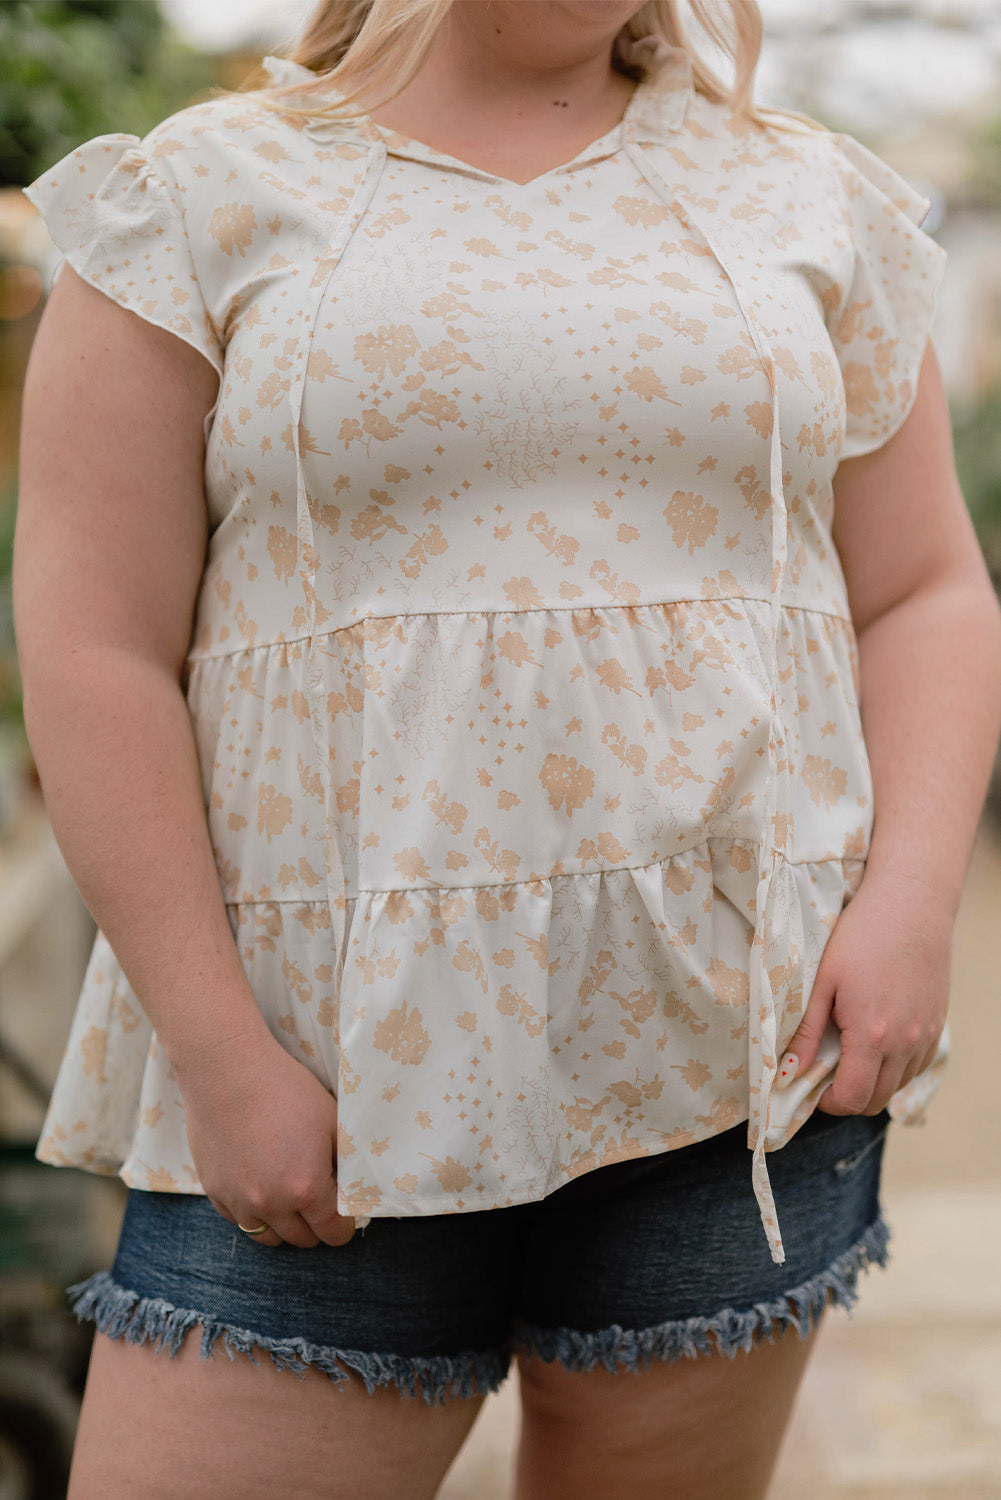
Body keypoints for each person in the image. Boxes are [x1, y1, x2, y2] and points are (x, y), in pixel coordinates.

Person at [14, 1, 1001, 1495]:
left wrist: (911, 907)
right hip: (320, 1069)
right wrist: (218, 1053)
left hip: (733, 1047)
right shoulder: (198, 193)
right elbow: (93, 647)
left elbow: (923, 590)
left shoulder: (808, 195)